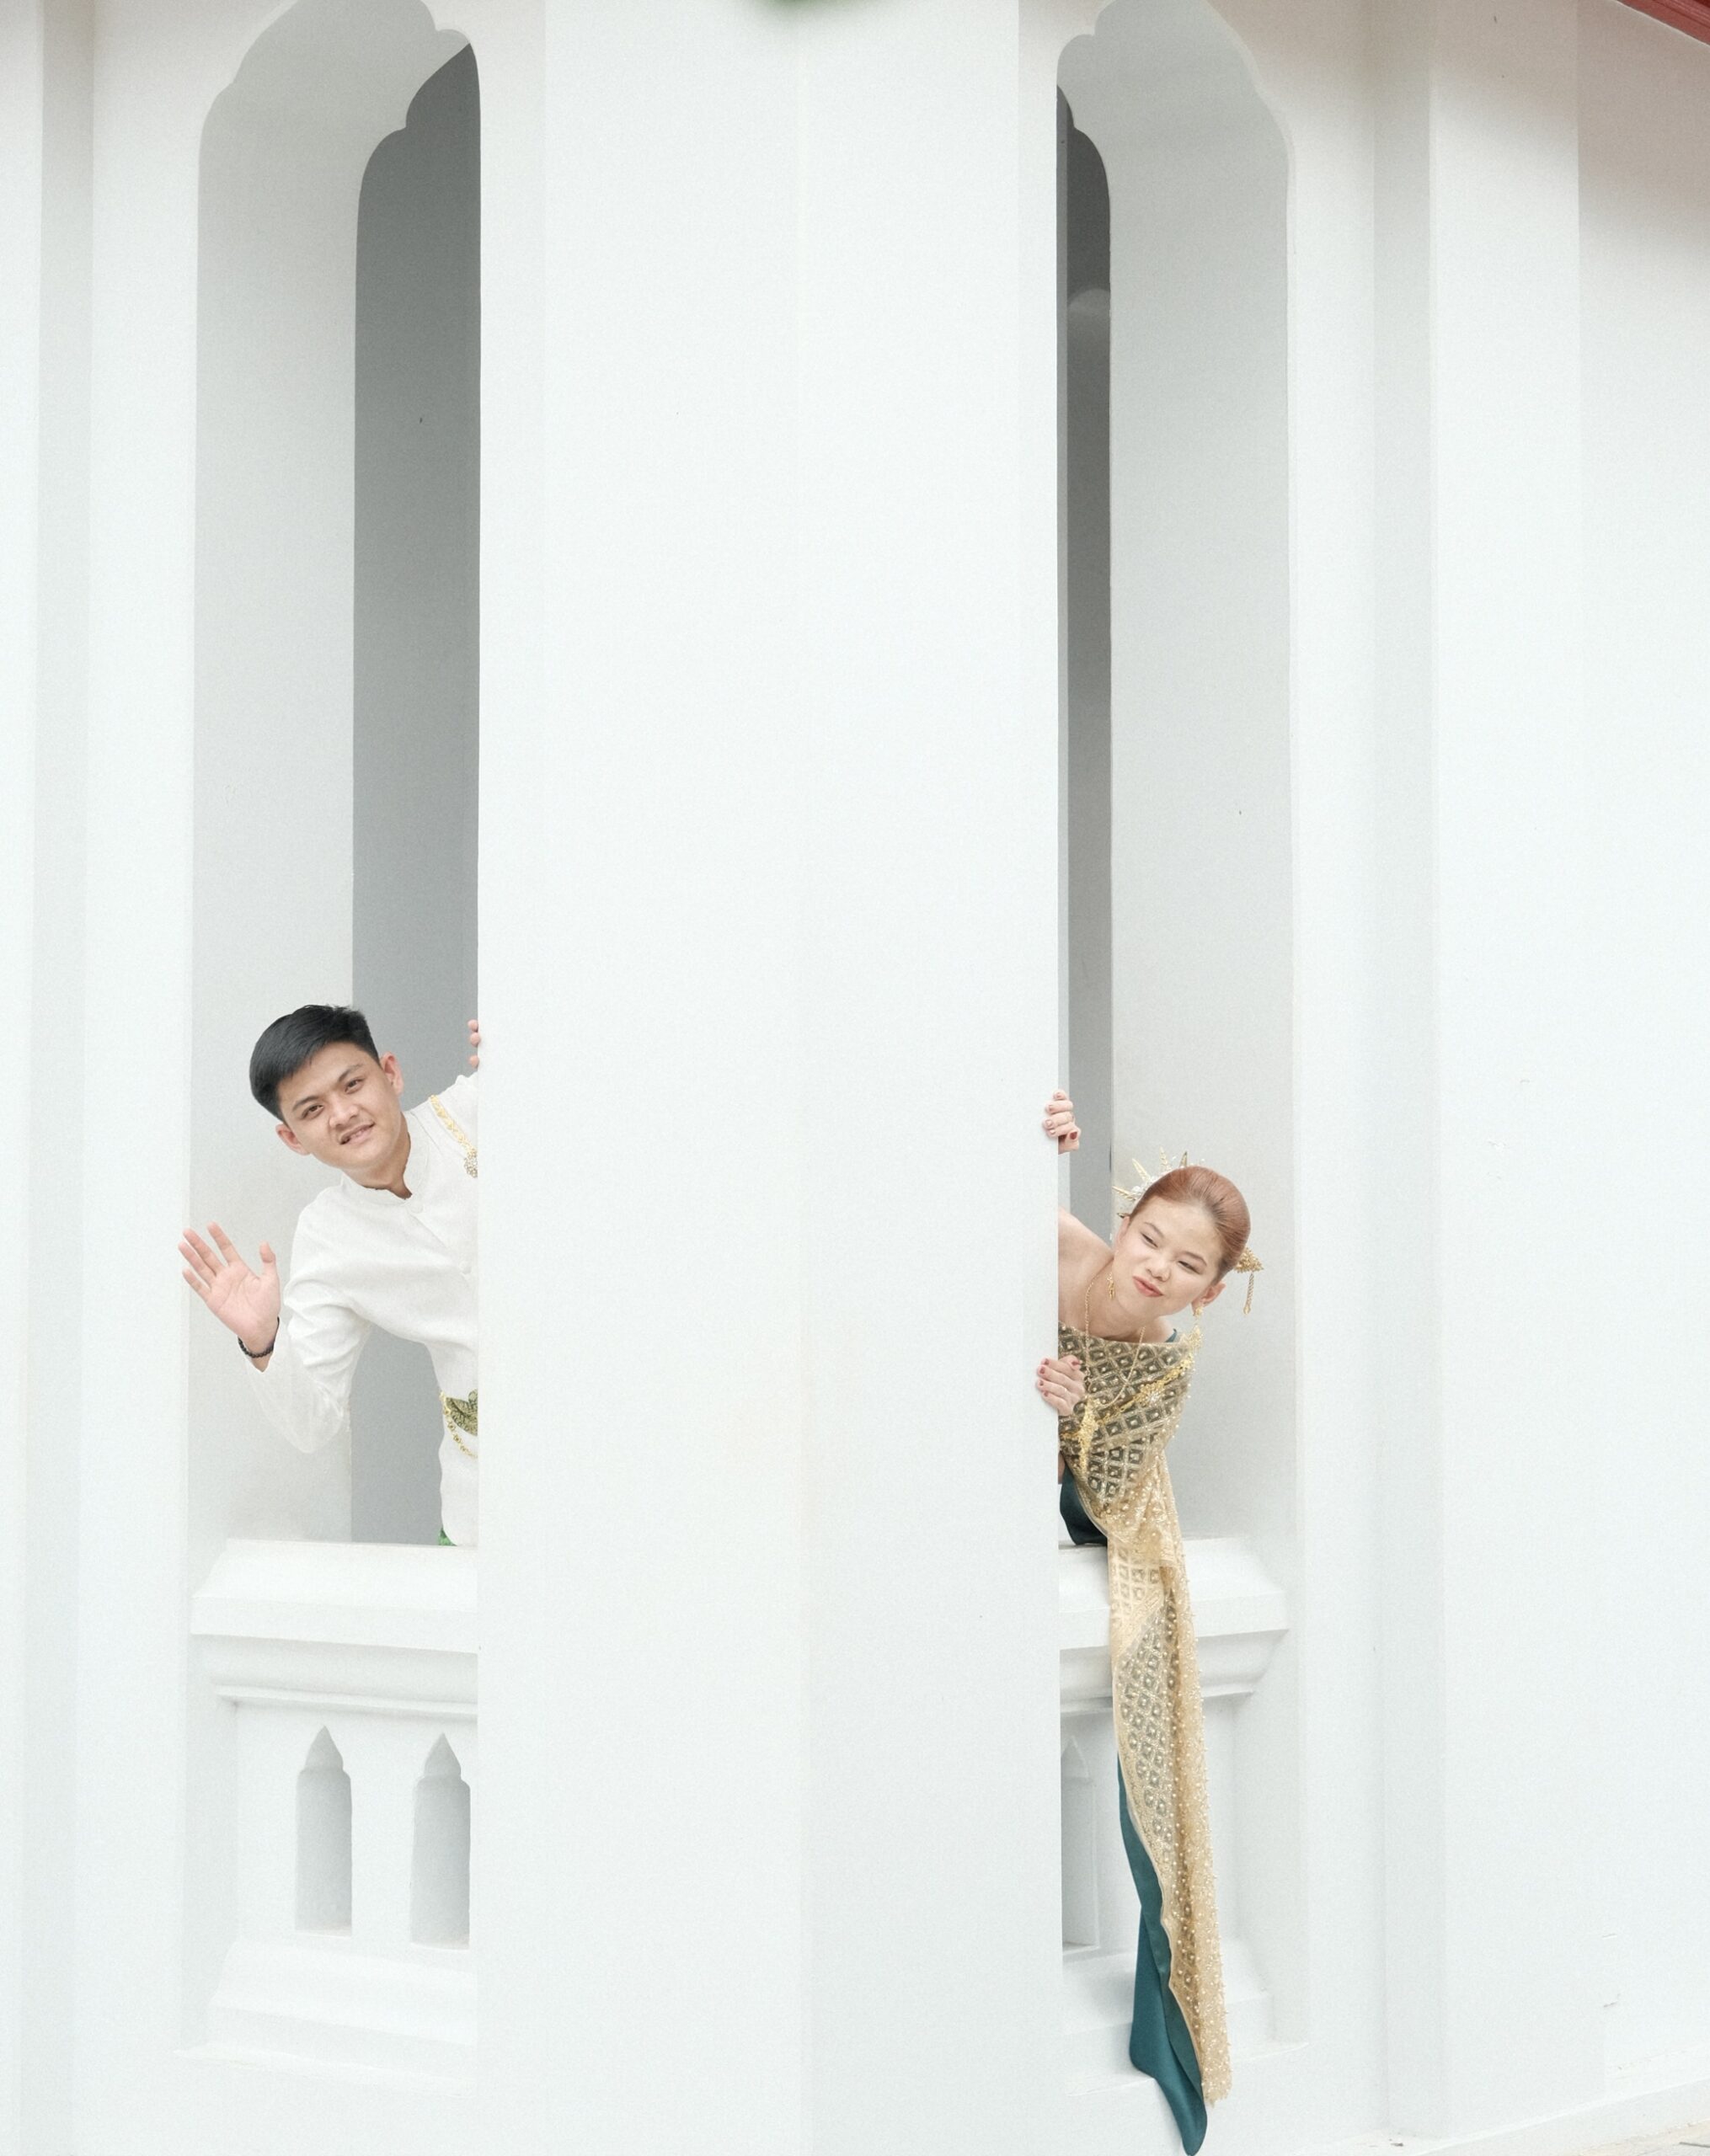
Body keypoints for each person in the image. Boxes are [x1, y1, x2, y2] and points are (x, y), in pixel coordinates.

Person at [1036, 1091, 1259, 2153]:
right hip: (1012, 1473)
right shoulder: (1054, 1247)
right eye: (1150, 1238)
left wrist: (1067, 1413)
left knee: (1153, 1688)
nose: (1156, 1268)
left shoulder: (1164, 1351)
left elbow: (1108, 1475)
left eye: (1186, 1265)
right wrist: (1030, 1129)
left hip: (1108, 1502)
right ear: (1123, 1222)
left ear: (1209, 1291)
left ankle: (1169, 2025)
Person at [179, 1006, 482, 1545]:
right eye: (313, 1109)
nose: (343, 1114)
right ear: (292, 1138)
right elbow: (312, 1424)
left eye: (353, 1084)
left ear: (390, 1073)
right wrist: (262, 1341)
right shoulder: (327, 1235)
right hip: (482, 1507)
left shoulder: (480, 1111)